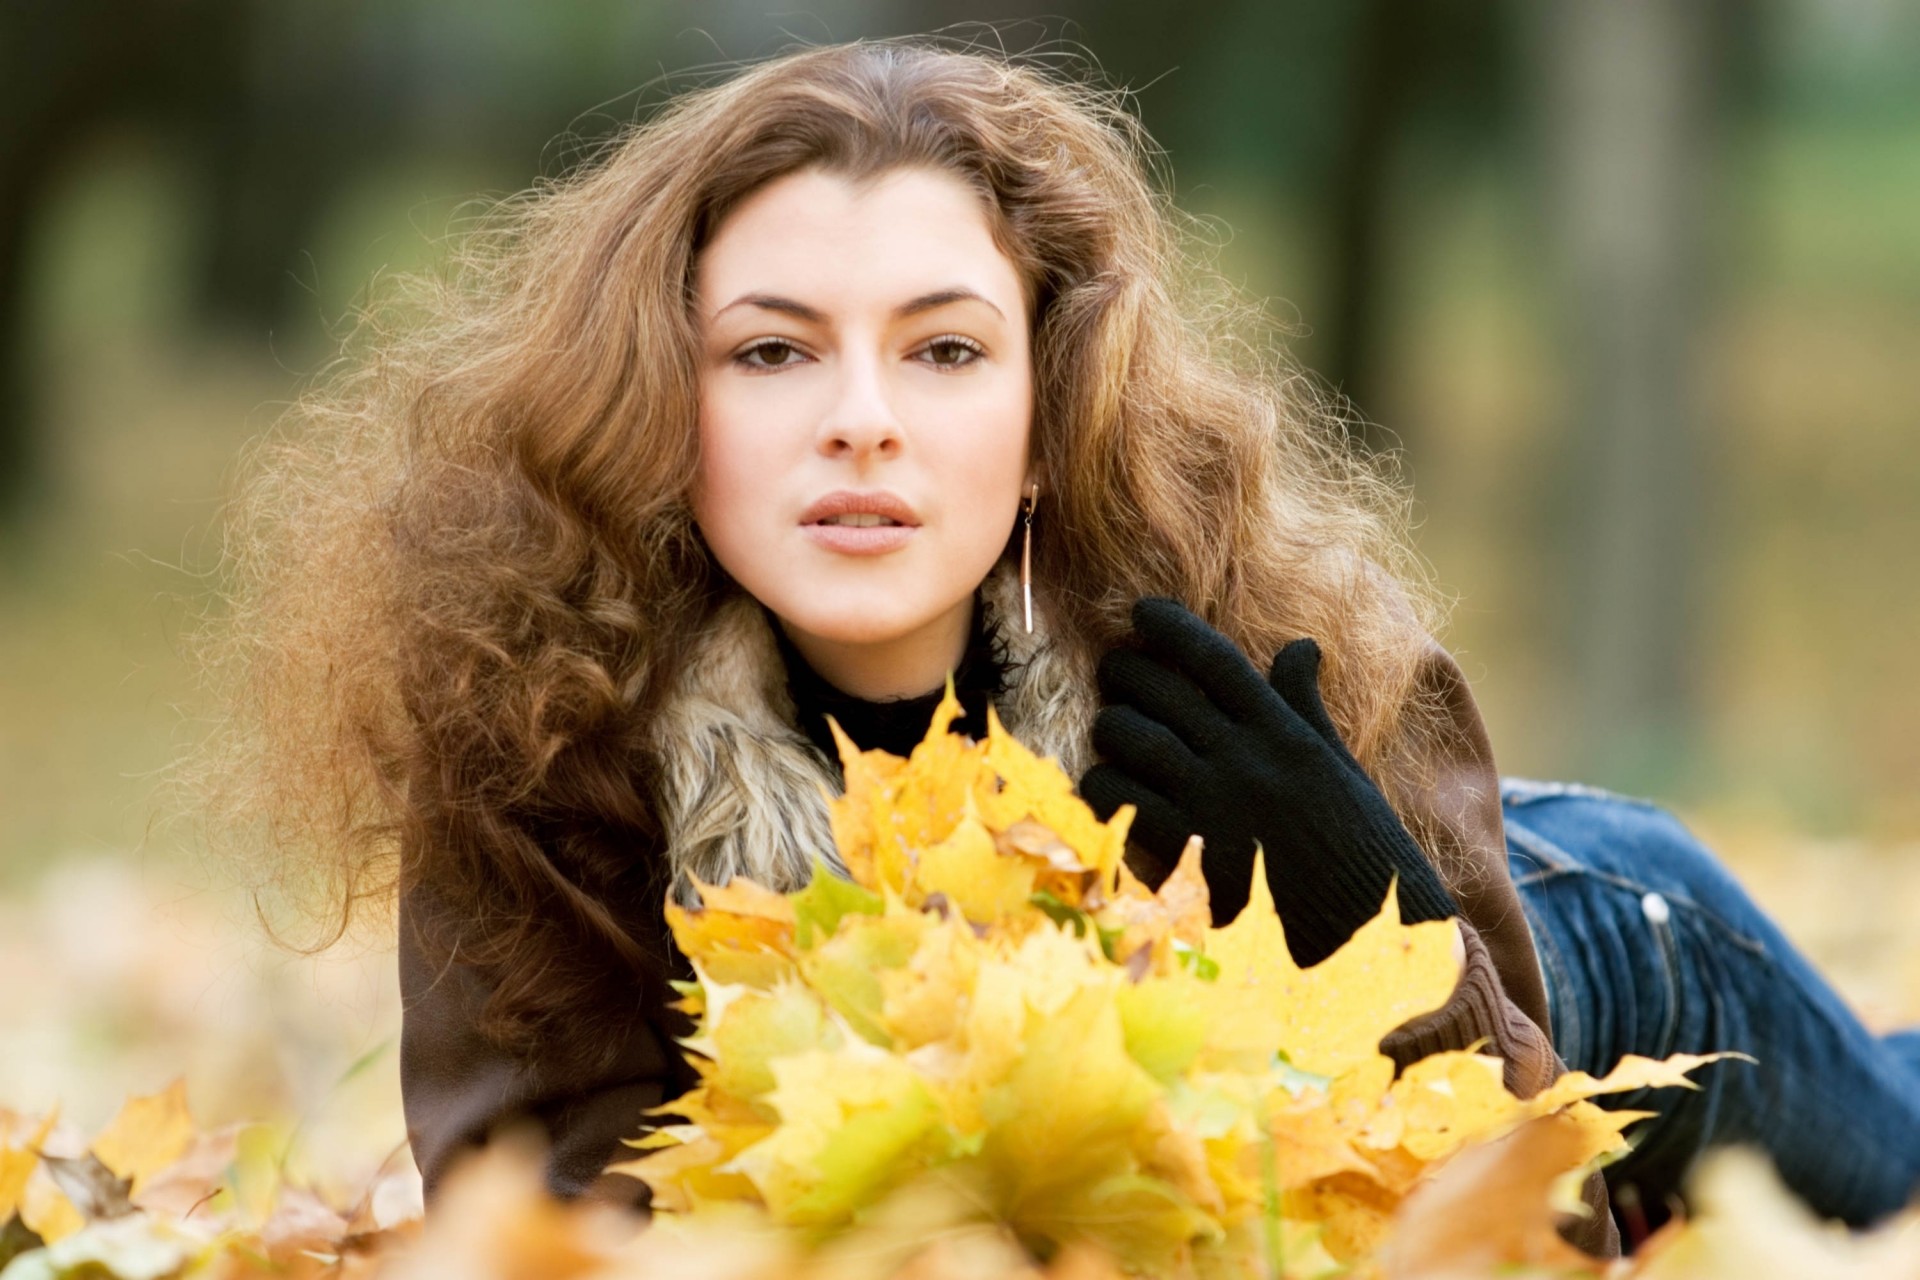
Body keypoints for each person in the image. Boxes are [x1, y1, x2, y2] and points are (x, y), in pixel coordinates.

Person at [200, 39, 1920, 1255]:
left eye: (943, 354)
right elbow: (561, 1220)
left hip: (1593, 945)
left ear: (1039, 425)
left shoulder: (1234, 629)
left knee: (1894, 1148)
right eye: (775, 354)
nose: (861, 424)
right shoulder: (537, 732)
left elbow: (1509, 1194)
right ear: (668, 409)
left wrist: (1359, 910)